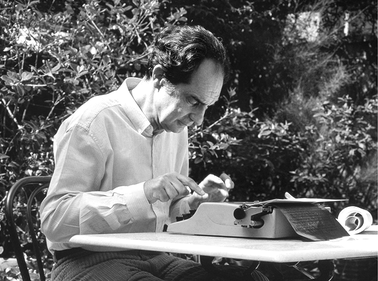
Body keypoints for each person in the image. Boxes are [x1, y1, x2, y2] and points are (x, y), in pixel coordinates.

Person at [40, 25, 237, 281]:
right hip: (84, 260)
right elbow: (54, 221)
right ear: (159, 77)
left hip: (155, 256)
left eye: (206, 106)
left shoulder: (176, 128)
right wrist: (143, 193)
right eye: (193, 101)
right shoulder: (93, 121)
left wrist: (193, 204)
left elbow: (165, 212)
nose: (199, 120)